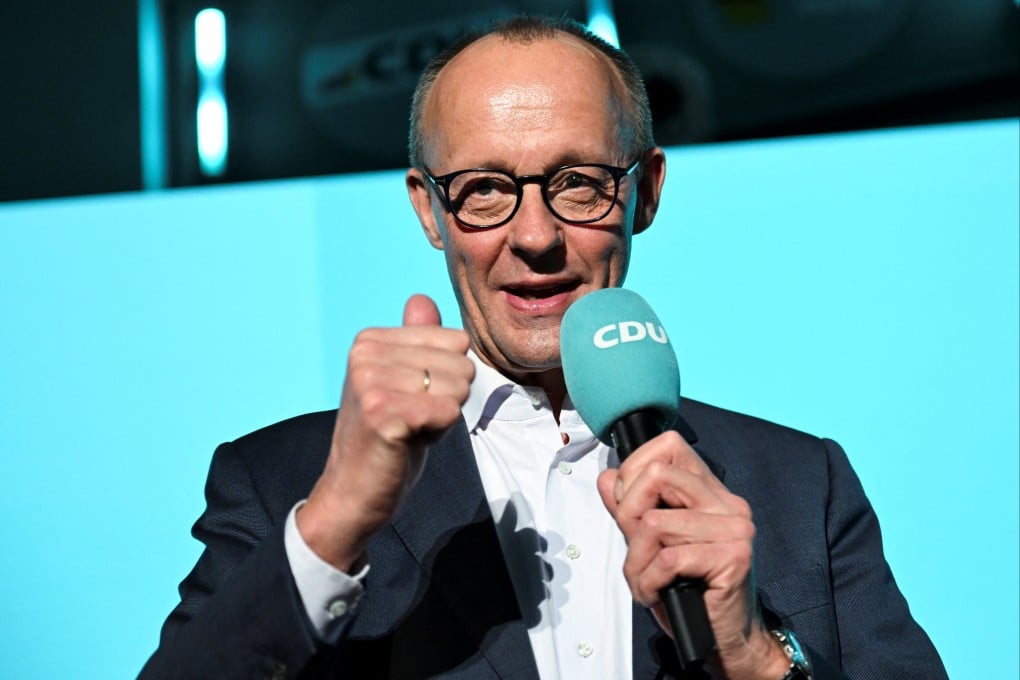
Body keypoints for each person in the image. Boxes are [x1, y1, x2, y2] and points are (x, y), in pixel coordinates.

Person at [142, 15, 946, 680]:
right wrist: (337, 520)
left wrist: (756, 657)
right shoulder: (278, 483)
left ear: (647, 193)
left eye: (579, 183)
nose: (535, 237)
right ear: (428, 210)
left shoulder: (804, 483)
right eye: (484, 190)